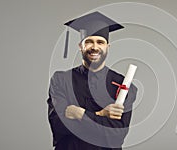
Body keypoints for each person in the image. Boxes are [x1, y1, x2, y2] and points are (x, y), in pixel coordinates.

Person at [47, 11, 137, 150]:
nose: (94, 47)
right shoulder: (61, 80)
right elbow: (58, 126)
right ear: (80, 46)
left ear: (108, 47)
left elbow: (116, 136)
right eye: (88, 41)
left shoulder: (123, 85)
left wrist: (79, 114)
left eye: (100, 42)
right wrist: (100, 115)